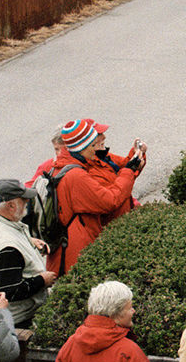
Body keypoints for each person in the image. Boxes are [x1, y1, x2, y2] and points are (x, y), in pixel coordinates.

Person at [53, 117, 146, 274]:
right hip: (78, 251)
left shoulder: (67, 167)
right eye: (94, 145)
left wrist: (131, 166)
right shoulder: (76, 175)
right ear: (83, 146)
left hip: (73, 245)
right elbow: (109, 201)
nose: (97, 149)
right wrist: (129, 170)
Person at [0, 178, 59, 328]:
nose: (27, 202)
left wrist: (29, 241)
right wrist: (42, 280)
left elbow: (10, 234)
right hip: (21, 319)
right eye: (23, 200)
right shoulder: (6, 248)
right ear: (10, 205)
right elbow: (10, 291)